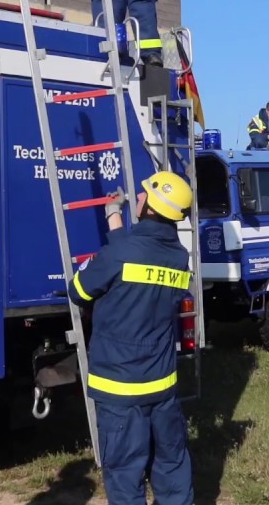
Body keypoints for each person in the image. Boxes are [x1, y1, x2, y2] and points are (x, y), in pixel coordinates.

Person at [67, 171, 195, 505]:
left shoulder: (119, 253)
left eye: (143, 194)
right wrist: (115, 220)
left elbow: (79, 291)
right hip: (162, 386)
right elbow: (138, 260)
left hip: (120, 389)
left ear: (151, 207)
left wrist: (96, 257)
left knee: (125, 473)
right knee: (171, 465)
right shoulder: (179, 258)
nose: (137, 197)